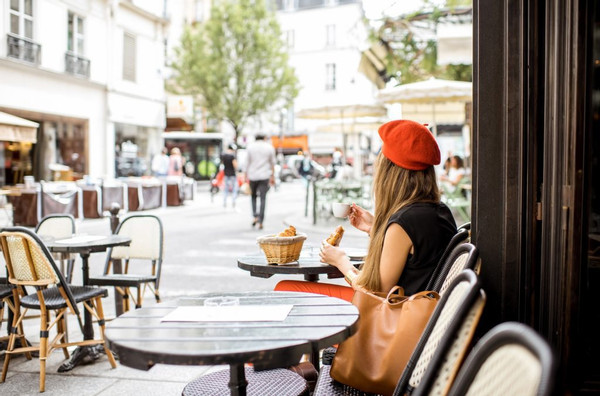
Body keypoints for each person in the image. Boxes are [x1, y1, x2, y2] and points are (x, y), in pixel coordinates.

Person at [275, 119, 457, 301]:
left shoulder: (404, 223)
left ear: (390, 173)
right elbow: (418, 260)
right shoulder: (440, 211)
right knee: (287, 288)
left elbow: (375, 294)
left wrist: (341, 261)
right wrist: (375, 228)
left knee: (286, 289)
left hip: (395, 316)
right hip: (421, 311)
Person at [245, 134, 276, 230]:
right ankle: (261, 221)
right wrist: (272, 176)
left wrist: (246, 175)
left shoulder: (250, 147)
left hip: (253, 175)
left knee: (253, 196)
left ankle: (255, 216)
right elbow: (272, 163)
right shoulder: (269, 147)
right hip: (264, 176)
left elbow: (247, 163)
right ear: (264, 138)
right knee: (263, 198)